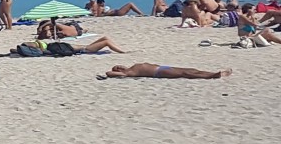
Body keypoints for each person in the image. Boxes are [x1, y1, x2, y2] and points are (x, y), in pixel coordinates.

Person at [98, 63, 230, 80]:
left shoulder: (131, 67)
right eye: (117, 68)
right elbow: (109, 74)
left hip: (163, 67)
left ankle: (213, 72)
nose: (119, 67)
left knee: (190, 69)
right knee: (184, 74)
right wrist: (112, 72)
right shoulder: (129, 73)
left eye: (118, 66)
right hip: (159, 73)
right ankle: (212, 76)